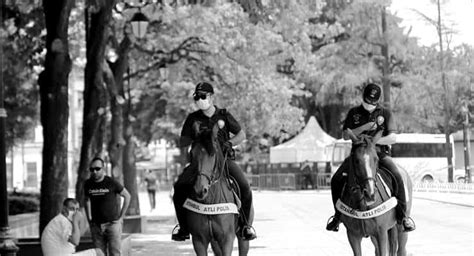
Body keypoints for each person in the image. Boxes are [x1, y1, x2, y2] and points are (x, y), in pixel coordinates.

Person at [171, 82, 257, 241]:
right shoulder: (192, 118)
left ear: (211, 97)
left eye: (203, 96)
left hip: (223, 161)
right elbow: (183, 141)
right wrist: (194, 137)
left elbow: (241, 135)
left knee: (244, 186)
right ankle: (183, 228)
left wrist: (229, 143)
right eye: (197, 97)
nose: (200, 99)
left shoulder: (223, 114)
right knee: (178, 188)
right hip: (200, 163)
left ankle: (245, 226)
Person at [325, 83, 416, 232]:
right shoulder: (354, 112)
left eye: (373, 102)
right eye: (368, 101)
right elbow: (345, 135)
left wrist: (372, 141)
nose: (370, 105)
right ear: (363, 97)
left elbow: (393, 138)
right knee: (336, 179)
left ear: (377, 100)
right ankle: (337, 217)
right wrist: (364, 127)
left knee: (398, 177)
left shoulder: (385, 114)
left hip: (380, 154)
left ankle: (403, 217)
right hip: (358, 156)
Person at [84, 157, 131, 256]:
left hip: (112, 224)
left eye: (97, 168)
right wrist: (89, 220)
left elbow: (127, 196)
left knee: (115, 253)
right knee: (100, 254)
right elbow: (86, 200)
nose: (95, 171)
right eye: (92, 169)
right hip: (96, 226)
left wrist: (121, 217)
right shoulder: (88, 184)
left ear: (103, 169)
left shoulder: (111, 182)